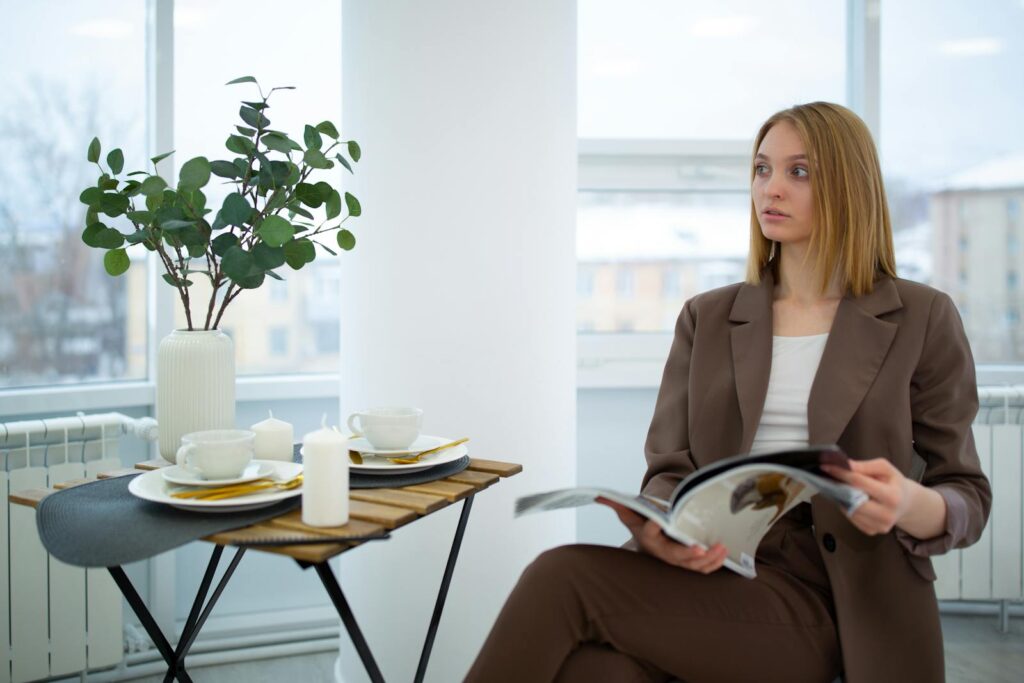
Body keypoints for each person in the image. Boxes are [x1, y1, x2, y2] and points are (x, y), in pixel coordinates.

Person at [465, 102, 991, 683]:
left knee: (560, 576)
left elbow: (965, 492)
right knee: (596, 671)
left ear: (848, 184)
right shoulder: (708, 317)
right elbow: (668, 470)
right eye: (762, 169)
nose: (772, 188)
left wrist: (912, 505)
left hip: (831, 604)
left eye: (799, 171)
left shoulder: (921, 316)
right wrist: (658, 527)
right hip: (711, 573)